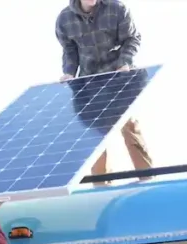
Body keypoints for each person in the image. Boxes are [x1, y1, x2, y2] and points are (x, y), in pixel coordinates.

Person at [55, 0, 154, 181]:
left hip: (119, 77)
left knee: (129, 125)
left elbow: (132, 38)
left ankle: (147, 177)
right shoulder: (65, 19)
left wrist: (124, 62)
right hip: (90, 82)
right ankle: (102, 184)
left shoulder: (116, 9)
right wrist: (69, 73)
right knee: (94, 136)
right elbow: (70, 50)